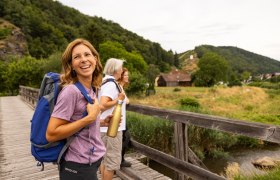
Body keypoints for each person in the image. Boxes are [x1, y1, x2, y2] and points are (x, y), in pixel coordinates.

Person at [46, 38, 111, 180]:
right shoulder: (71, 91)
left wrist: (101, 122)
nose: (83, 59)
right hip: (76, 167)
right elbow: (51, 134)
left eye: (87, 54)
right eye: (77, 57)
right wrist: (90, 118)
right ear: (71, 65)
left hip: (90, 162)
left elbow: (76, 120)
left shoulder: (91, 89)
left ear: (95, 58)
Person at [99, 58, 126, 180]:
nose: (122, 70)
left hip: (105, 128)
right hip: (112, 130)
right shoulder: (111, 84)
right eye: (121, 68)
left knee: (105, 161)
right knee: (111, 165)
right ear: (115, 69)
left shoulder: (104, 82)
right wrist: (119, 99)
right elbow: (103, 104)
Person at [117, 68, 132, 167]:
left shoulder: (120, 87)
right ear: (121, 76)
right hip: (119, 118)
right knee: (126, 138)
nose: (127, 77)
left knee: (124, 137)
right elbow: (126, 101)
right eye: (125, 75)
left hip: (121, 118)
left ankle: (120, 160)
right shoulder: (119, 87)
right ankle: (120, 160)